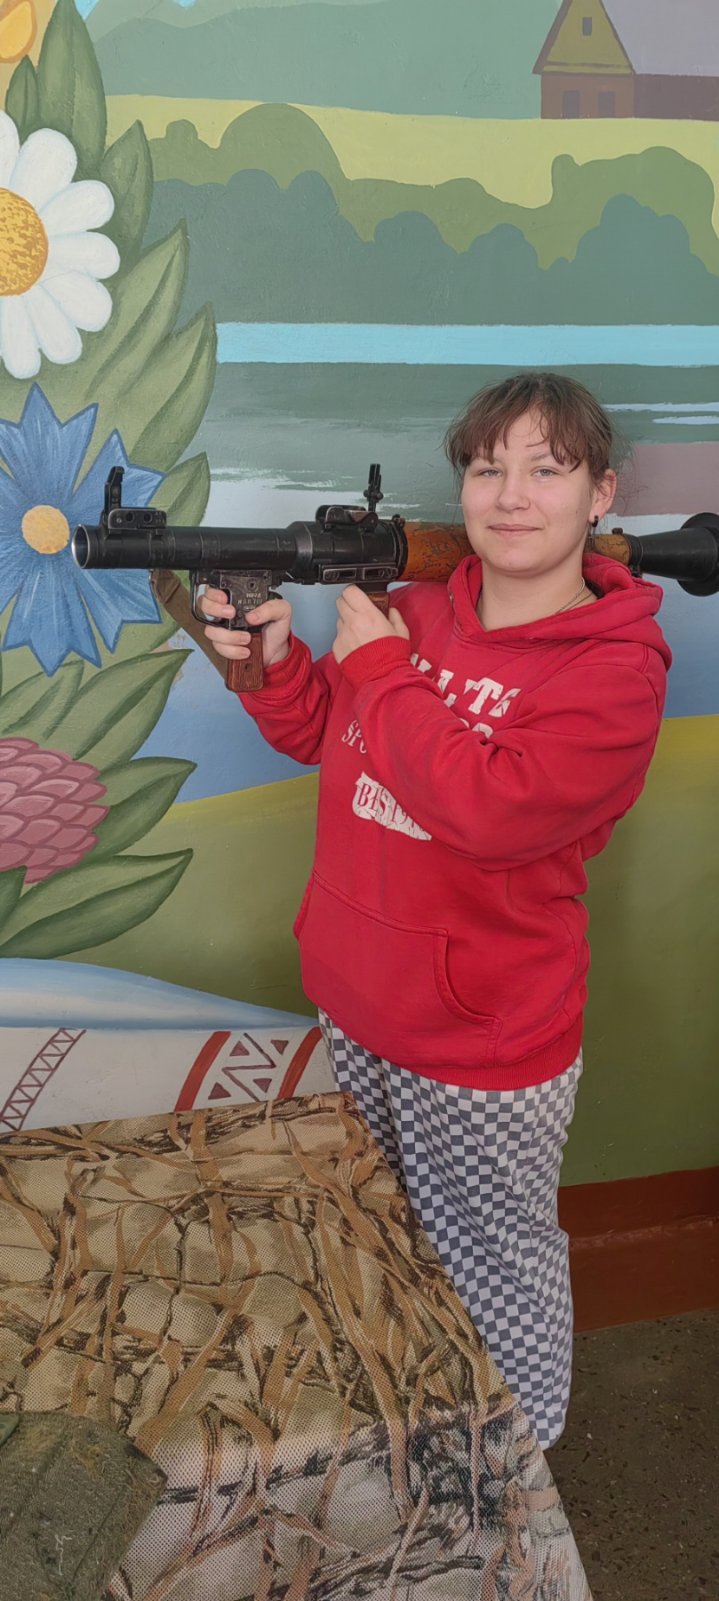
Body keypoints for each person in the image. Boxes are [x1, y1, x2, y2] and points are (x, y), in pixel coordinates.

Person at [202, 371, 671, 1449]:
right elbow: (324, 734)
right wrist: (272, 662)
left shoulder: (615, 671)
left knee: (495, 1269)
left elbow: (488, 813)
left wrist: (380, 667)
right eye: (486, 468)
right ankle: (413, 1435)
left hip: (481, 1041)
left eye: (545, 470)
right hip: (357, 1003)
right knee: (388, 1241)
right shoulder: (411, 611)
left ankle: (516, 1474)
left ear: (599, 493)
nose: (510, 496)